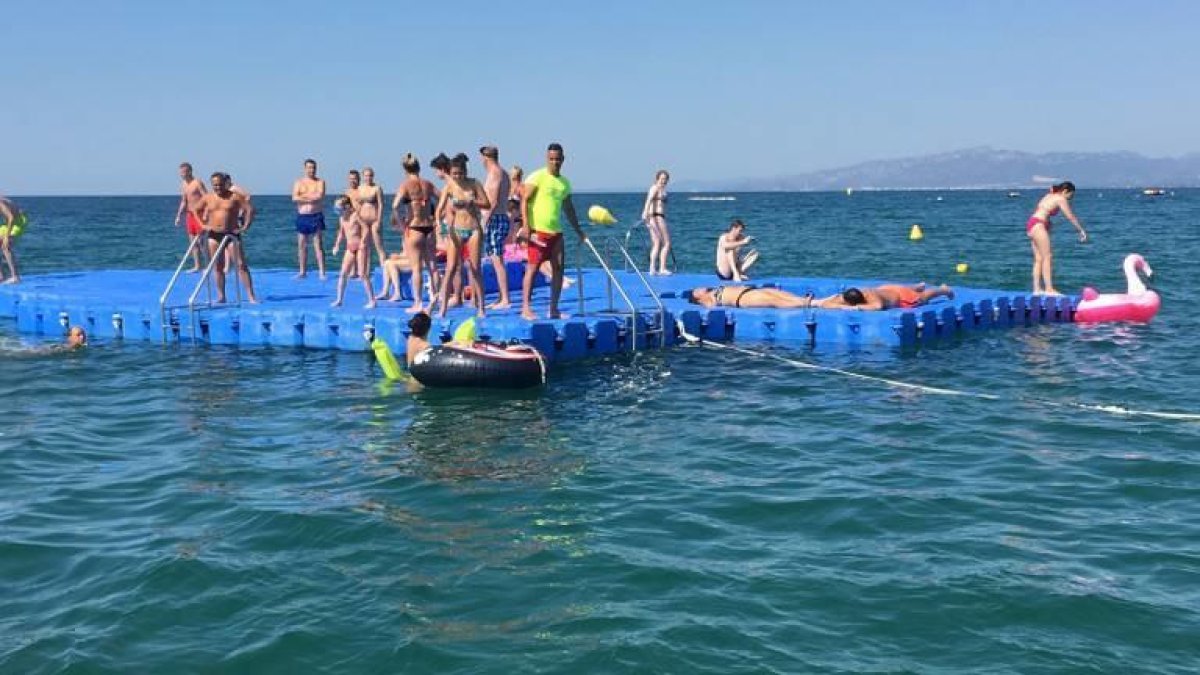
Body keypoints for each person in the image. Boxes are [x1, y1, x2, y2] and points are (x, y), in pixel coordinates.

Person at [518, 143, 588, 320]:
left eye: (557, 159)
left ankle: (553, 309)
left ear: (563, 160)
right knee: (533, 269)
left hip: (556, 232)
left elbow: (569, 208)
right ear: (546, 158)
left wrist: (578, 230)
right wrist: (526, 226)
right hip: (537, 232)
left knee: (559, 269)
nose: (554, 162)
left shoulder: (564, 183)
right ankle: (526, 308)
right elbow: (524, 200)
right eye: (551, 159)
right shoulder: (537, 177)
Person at [434, 155, 490, 318]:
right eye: (454, 174)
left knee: (475, 269)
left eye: (460, 173)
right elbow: (439, 208)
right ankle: (443, 309)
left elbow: (486, 203)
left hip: (473, 230)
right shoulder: (449, 187)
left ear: (465, 171)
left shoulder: (474, 183)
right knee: (450, 268)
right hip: (456, 230)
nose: (457, 177)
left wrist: (472, 203)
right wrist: (439, 223)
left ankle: (481, 308)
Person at [195, 172, 260, 304]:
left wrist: (245, 226)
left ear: (225, 183)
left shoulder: (234, 197)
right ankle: (221, 296)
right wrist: (202, 224)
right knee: (217, 267)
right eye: (215, 185)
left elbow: (250, 209)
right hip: (214, 235)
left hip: (231, 234)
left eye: (220, 184)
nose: (217, 187)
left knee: (241, 265)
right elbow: (196, 209)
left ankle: (251, 296)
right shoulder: (208, 198)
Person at [389, 153, 439, 311]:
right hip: (429, 227)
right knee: (433, 267)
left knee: (417, 268)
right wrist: (437, 217)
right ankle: (436, 299)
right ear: (419, 167)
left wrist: (402, 225)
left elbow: (395, 206)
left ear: (405, 169)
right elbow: (443, 197)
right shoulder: (428, 184)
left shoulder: (405, 185)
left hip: (415, 227)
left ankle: (418, 303)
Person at [687, 282, 953, 310]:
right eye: (696, 292)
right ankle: (928, 287)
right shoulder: (708, 298)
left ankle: (940, 289)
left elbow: (867, 307)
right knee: (777, 299)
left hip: (896, 295)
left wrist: (851, 309)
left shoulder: (873, 299)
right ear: (697, 298)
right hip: (744, 298)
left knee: (777, 295)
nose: (700, 288)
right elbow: (712, 307)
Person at [1027, 180, 1088, 295]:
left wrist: (1048, 224)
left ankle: (1037, 289)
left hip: (1033, 223)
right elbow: (1070, 216)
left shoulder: (1049, 195)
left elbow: (1043, 210)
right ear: (1065, 191)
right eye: (1071, 195)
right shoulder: (1061, 199)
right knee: (1047, 256)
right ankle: (1049, 289)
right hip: (1039, 225)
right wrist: (1081, 230)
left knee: (1039, 258)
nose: (1071, 198)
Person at [479, 146, 512, 309]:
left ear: (485, 158)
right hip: (499, 218)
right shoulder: (502, 172)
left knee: (497, 260)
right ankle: (502, 297)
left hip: (495, 219)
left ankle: (505, 299)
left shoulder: (495, 173)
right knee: (495, 258)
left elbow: (493, 201)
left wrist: (485, 220)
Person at [330, 196, 376, 308]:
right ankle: (339, 300)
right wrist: (336, 245)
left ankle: (372, 300)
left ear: (347, 207)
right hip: (350, 247)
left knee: (362, 274)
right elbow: (341, 233)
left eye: (340, 208)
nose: (338, 211)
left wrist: (363, 242)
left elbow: (365, 228)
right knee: (343, 273)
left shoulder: (355, 216)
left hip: (360, 246)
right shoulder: (342, 218)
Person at [291, 158, 327, 279]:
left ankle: (321, 272)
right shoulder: (298, 182)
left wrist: (303, 196)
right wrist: (310, 197)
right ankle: (302, 271)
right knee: (301, 245)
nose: (311, 170)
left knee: (318, 244)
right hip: (302, 216)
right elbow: (294, 198)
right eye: (309, 168)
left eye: (313, 168)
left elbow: (319, 196)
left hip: (315, 215)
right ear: (305, 168)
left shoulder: (320, 182)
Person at [173, 162, 208, 272]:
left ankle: (208, 265)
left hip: (200, 214)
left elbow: (207, 198)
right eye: (181, 173)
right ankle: (197, 266)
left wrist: (206, 214)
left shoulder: (197, 183)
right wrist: (178, 215)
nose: (182, 175)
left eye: (184, 172)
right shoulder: (183, 184)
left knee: (202, 242)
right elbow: (184, 201)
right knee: (193, 242)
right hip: (190, 215)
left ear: (190, 171)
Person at [641, 169, 671, 274]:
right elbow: (648, 200)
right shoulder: (654, 188)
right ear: (657, 179)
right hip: (655, 217)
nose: (663, 181)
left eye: (665, 179)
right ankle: (661, 268)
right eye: (662, 179)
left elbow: (662, 202)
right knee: (666, 243)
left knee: (657, 243)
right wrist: (645, 213)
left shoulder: (663, 190)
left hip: (657, 216)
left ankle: (653, 268)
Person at [356, 166, 387, 264]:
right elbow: (358, 204)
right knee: (365, 247)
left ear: (373, 176)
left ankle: (384, 268)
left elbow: (381, 204)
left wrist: (379, 220)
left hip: (374, 219)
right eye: (366, 176)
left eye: (370, 176)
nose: (368, 178)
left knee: (379, 246)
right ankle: (365, 272)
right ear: (363, 176)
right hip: (363, 220)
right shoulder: (360, 188)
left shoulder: (377, 188)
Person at [0, 195, 27, 284]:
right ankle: (1, 276)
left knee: (5, 247)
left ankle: (15, 277)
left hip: (18, 222)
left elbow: (11, 217)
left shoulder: (0, 203)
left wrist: (6, 237)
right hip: (8, 222)